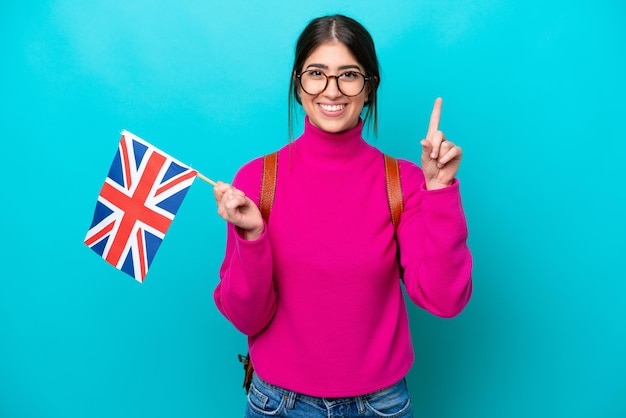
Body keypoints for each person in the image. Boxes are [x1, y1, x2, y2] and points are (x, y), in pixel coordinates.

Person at [212, 14, 472, 418]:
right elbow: (247, 315)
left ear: (368, 89)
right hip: (279, 404)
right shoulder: (257, 180)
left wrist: (437, 193)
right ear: (298, 86)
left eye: (348, 75)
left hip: (381, 405)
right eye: (317, 73)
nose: (331, 90)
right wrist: (252, 237)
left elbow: (445, 299)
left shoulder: (402, 181)